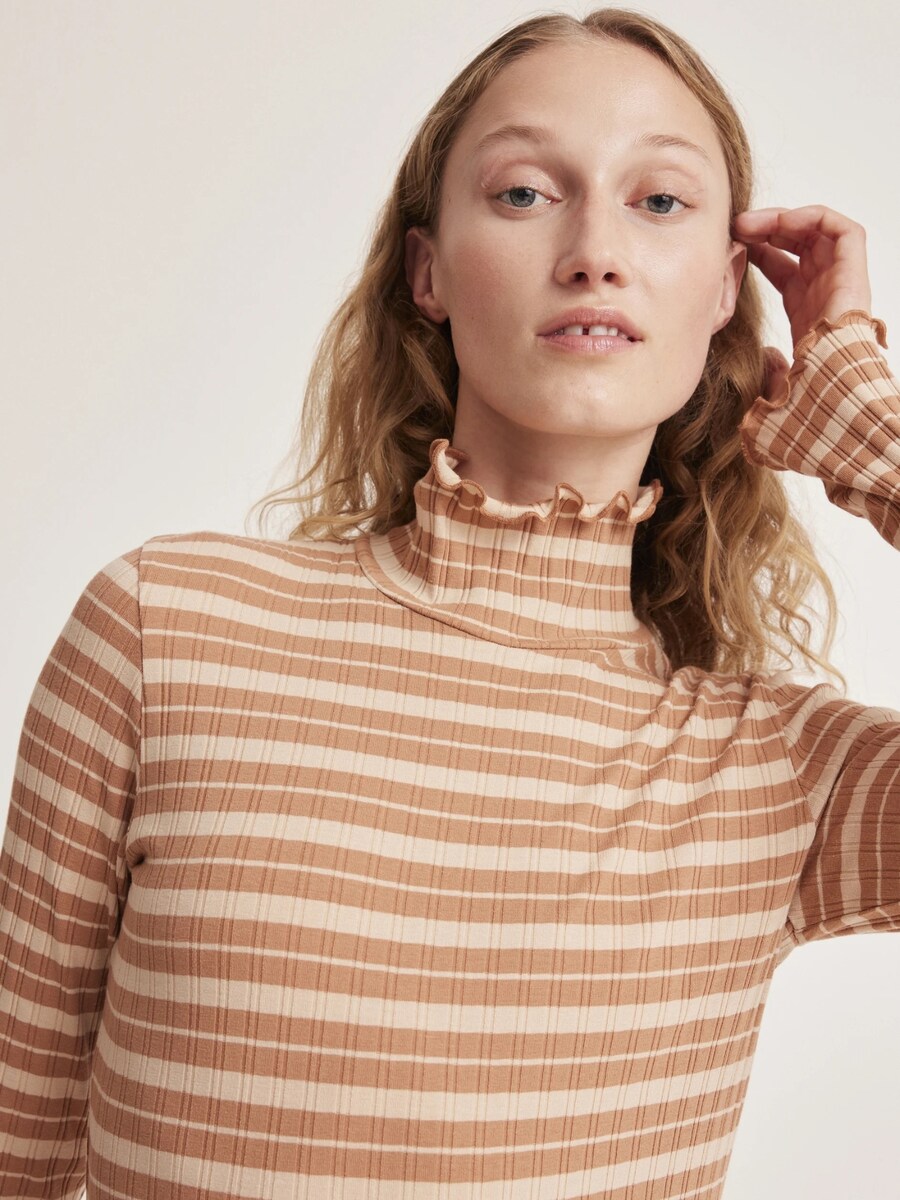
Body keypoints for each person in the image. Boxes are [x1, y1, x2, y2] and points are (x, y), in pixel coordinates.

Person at [1, 8, 897, 1199]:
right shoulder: (166, 630)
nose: (594, 251)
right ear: (427, 271)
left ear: (727, 293)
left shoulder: (777, 774)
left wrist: (871, 433)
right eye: (525, 193)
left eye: (660, 201)